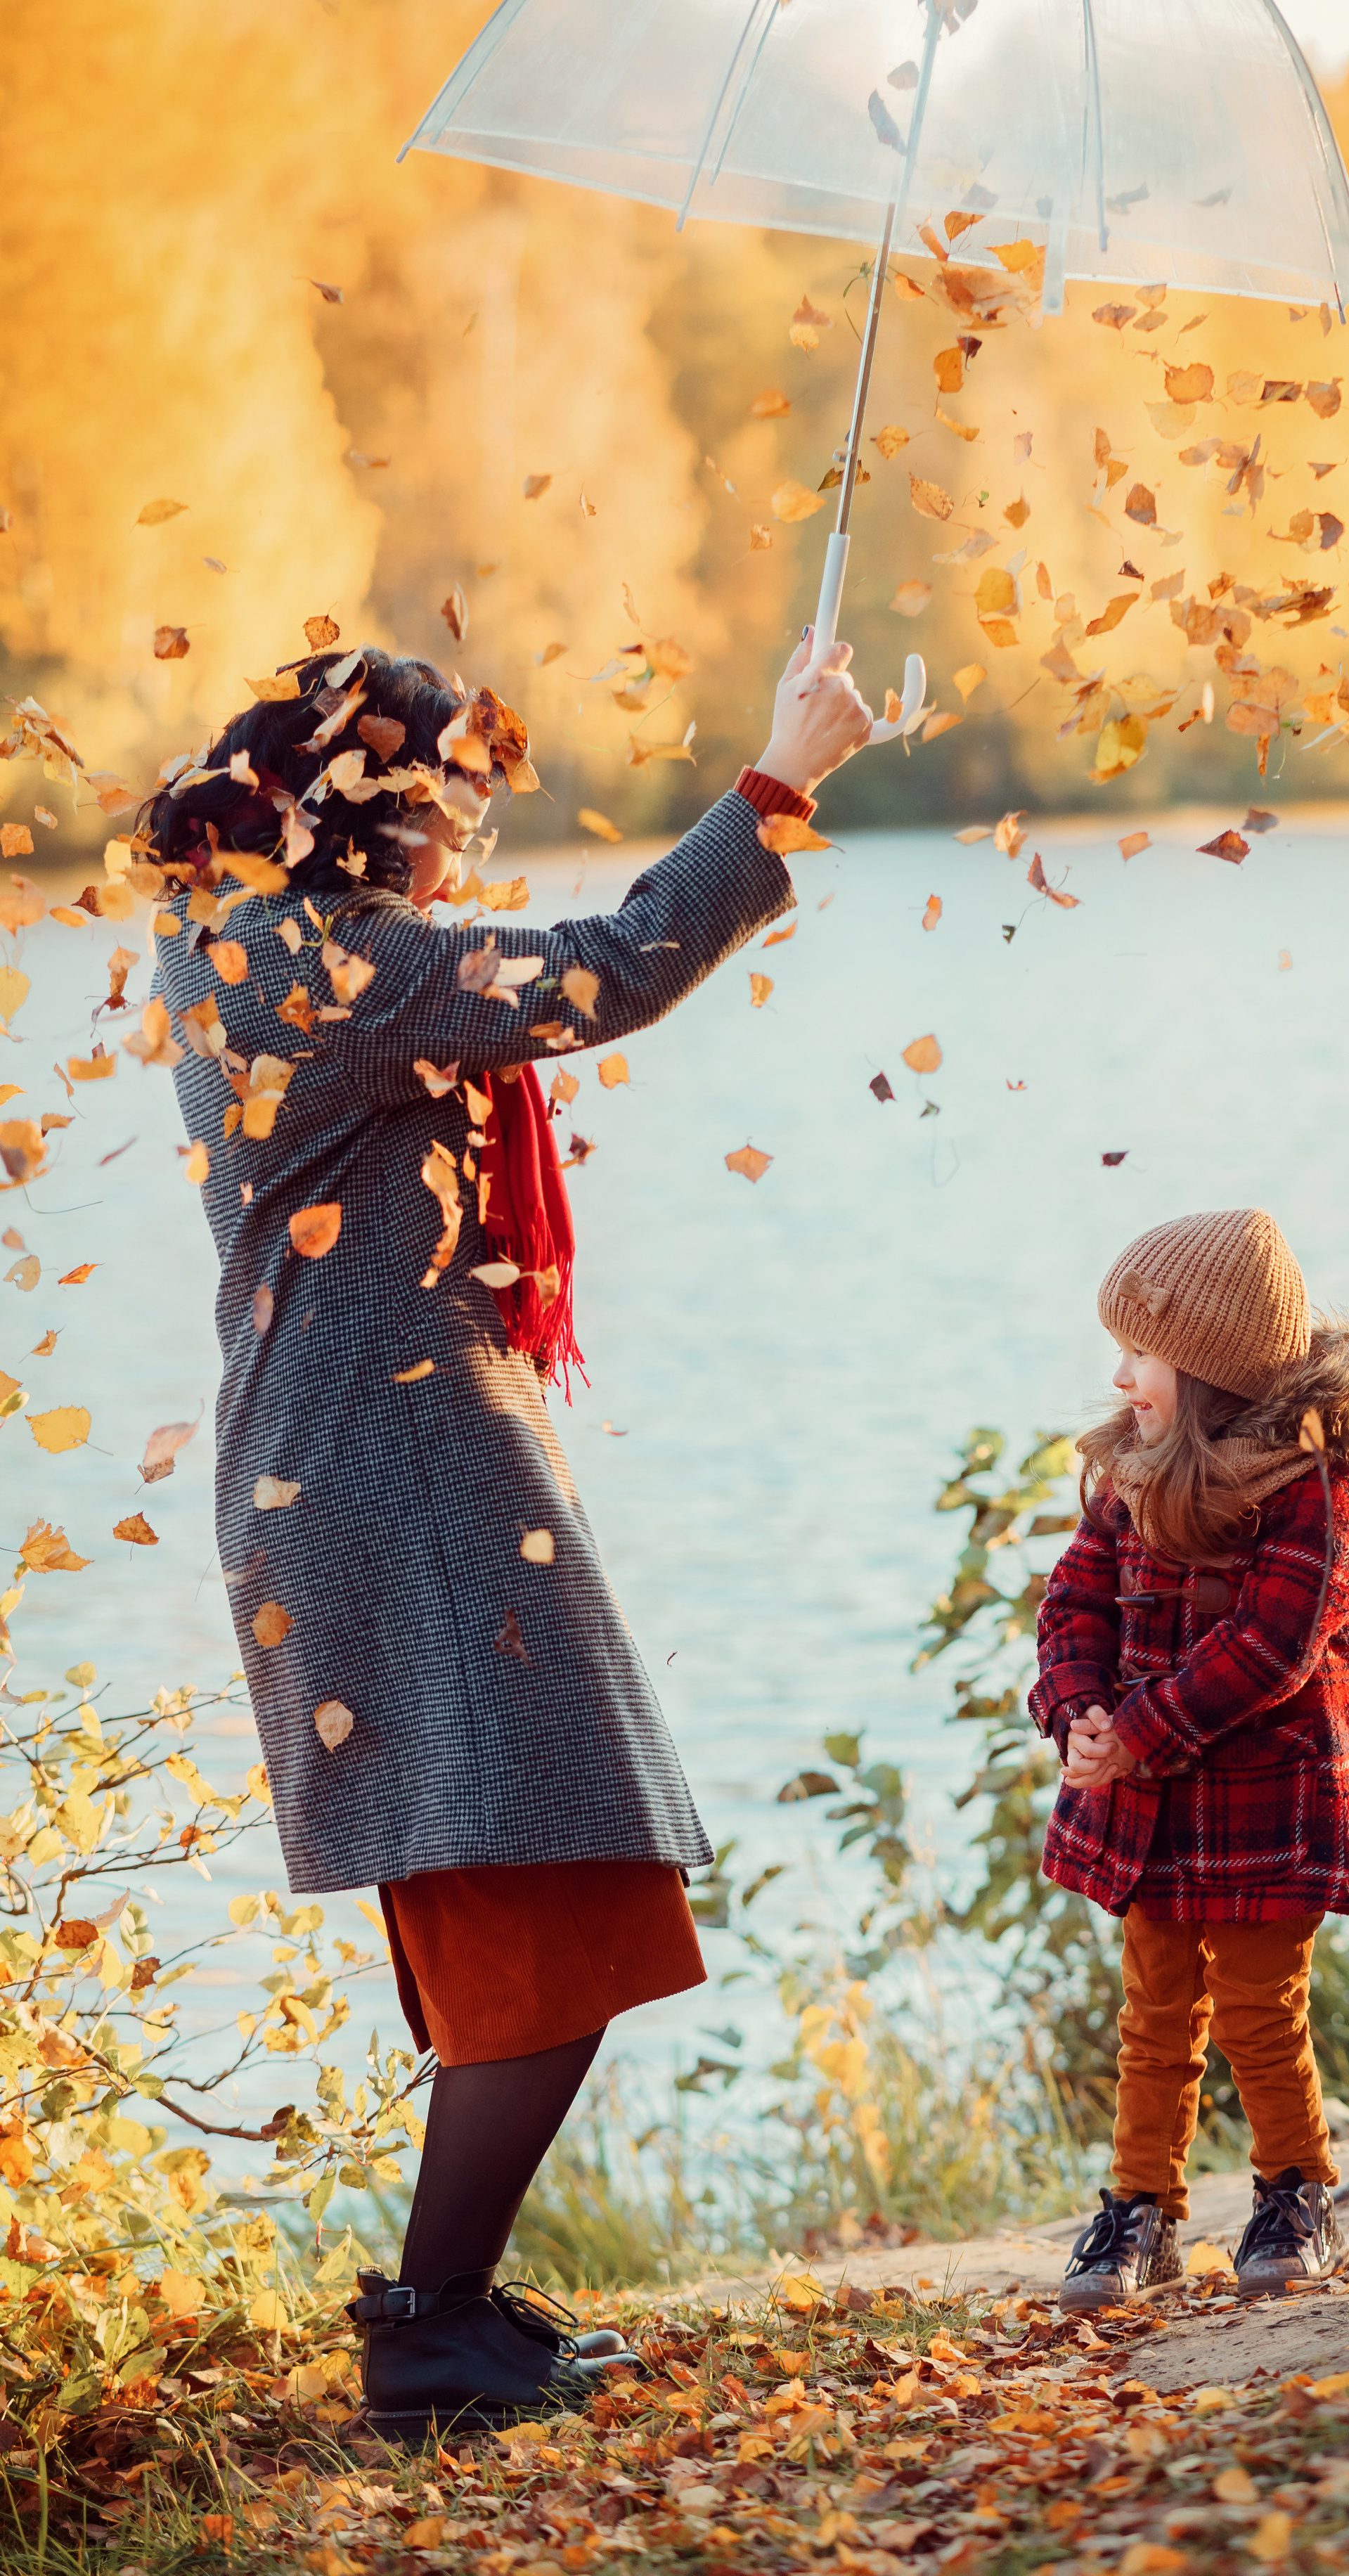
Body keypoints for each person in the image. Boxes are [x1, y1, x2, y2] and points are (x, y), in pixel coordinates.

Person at [136, 627, 871, 2440]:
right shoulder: (349, 967)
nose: (471, 825)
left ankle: (444, 2309)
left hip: (354, 1458)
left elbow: (504, 972)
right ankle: (430, 2327)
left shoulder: (243, 937)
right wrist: (779, 779)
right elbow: (606, 970)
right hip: (404, 1470)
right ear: (381, 806)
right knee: (545, 1877)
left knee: (507, 1881)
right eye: (452, 795)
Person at [1027, 1209, 1349, 2308]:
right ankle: (1138, 2208)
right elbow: (1076, 1601)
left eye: (1138, 1355)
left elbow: (1269, 1649)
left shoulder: (1321, 1492)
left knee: (1257, 2008)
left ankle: (1297, 2191)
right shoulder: (1136, 1476)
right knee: (1153, 2014)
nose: (1118, 1378)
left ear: (1205, 1370)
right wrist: (1080, 1713)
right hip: (1149, 1811)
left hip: (1266, 1806)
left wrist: (1136, 1736)